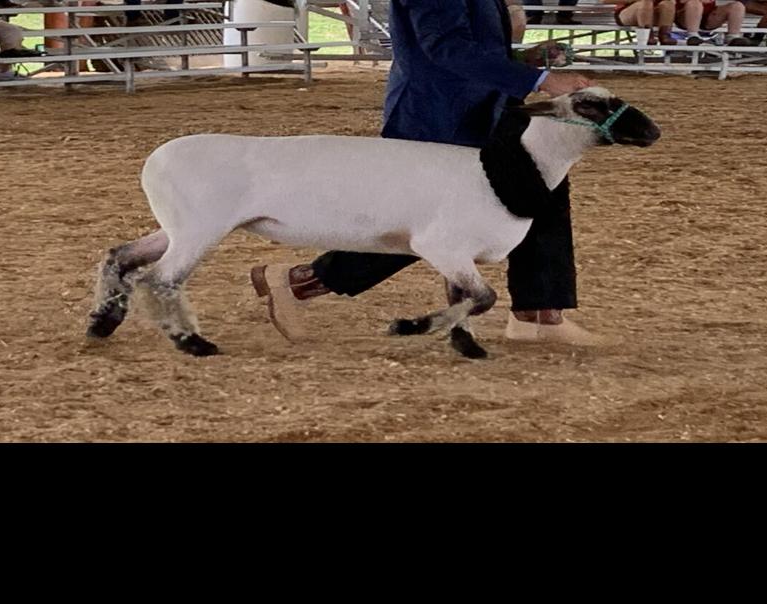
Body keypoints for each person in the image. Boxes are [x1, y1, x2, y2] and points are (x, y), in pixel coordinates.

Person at [251, 0, 610, 345]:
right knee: (420, 225)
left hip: (486, 109)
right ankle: (302, 281)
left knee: (540, 190)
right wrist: (540, 79)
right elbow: (444, 48)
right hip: (437, 116)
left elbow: (469, 44)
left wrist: (520, 62)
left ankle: (540, 314)